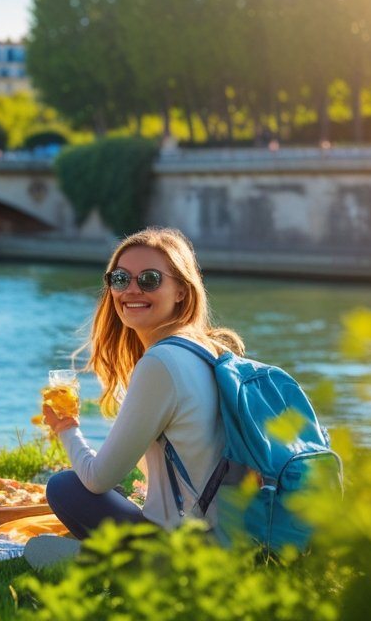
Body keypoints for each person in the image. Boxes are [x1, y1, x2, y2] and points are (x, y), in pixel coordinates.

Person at [40, 226, 244, 543]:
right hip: (230, 533)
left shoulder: (161, 362)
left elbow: (97, 479)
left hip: (188, 546)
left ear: (182, 291)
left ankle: (119, 564)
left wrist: (65, 427)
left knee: (65, 487)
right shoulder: (207, 349)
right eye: (120, 279)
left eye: (149, 279)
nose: (131, 290)